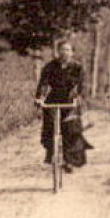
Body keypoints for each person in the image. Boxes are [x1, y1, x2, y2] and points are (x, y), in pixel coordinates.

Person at [35, 40, 92, 171]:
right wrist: (39, 98)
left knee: (71, 130)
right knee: (49, 127)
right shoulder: (50, 66)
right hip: (53, 99)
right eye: (62, 49)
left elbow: (83, 85)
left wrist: (79, 97)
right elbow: (43, 84)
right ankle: (51, 154)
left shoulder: (77, 67)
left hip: (70, 100)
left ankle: (70, 161)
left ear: (72, 52)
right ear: (57, 51)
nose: (64, 52)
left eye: (67, 50)